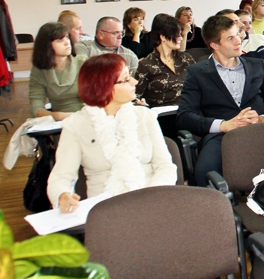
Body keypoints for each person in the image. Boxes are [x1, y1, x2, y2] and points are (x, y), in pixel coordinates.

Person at [47, 53, 177, 212]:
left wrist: (151, 197)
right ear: (104, 87)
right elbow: (61, 177)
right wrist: (62, 195)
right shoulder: (76, 125)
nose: (134, 82)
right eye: (125, 79)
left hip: (153, 200)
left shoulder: (144, 116)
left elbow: (165, 166)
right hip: (107, 210)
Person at [176, 15, 264, 186]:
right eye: (230, 38)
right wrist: (223, 125)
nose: (238, 41)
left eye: (237, 34)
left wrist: (262, 119)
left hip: (261, 132)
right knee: (204, 173)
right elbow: (184, 116)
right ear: (214, 45)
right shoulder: (197, 73)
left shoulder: (257, 66)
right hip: (222, 137)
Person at [134, 14, 195, 108]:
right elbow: (137, 97)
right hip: (163, 115)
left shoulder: (186, 59)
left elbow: (200, 86)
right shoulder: (146, 65)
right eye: (177, 35)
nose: (181, 38)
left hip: (190, 110)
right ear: (162, 37)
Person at [29, 22, 86, 120]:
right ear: (47, 45)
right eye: (60, 40)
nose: (67, 42)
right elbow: (36, 107)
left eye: (67, 37)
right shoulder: (39, 69)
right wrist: (58, 116)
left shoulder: (83, 62)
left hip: (86, 117)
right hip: (60, 123)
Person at [74, 17, 139, 73]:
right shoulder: (84, 47)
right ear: (101, 34)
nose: (120, 37)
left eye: (121, 33)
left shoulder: (130, 56)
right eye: (115, 33)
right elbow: (84, 73)